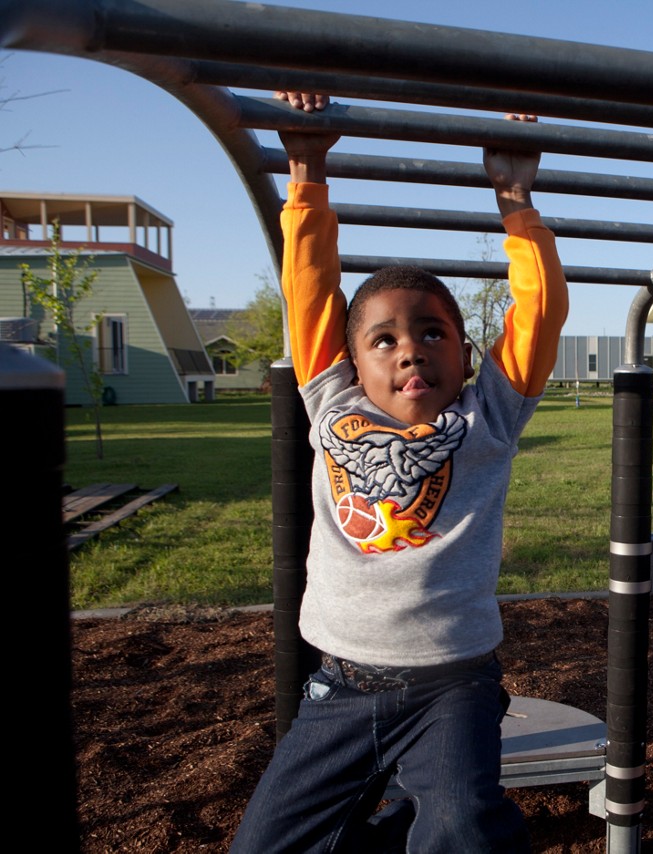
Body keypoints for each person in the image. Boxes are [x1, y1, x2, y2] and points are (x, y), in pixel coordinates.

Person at [231, 93, 568, 853]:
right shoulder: (331, 402)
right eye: (383, 339)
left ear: (467, 357)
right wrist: (308, 171)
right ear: (352, 364)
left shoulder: (488, 417)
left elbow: (539, 310)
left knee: (460, 831)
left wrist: (515, 200)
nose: (410, 348)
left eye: (432, 332)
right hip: (343, 682)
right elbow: (310, 292)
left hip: (453, 685)